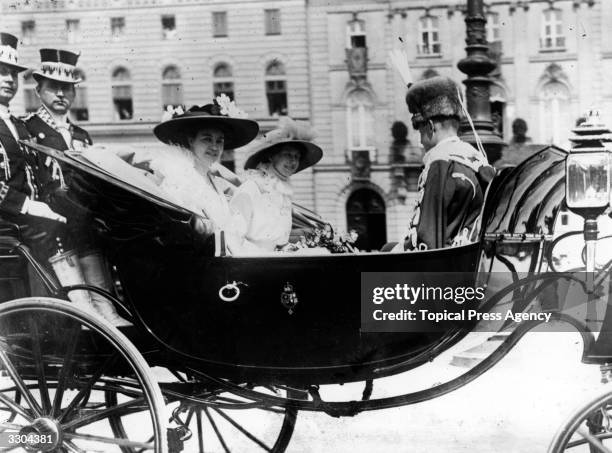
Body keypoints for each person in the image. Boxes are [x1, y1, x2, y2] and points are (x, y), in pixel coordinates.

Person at [24, 48, 129, 325]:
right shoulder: (29, 130)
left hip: (85, 225)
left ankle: (104, 309)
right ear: (39, 91)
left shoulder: (81, 135)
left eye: (67, 89)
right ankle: (86, 314)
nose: (61, 94)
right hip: (52, 225)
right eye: (53, 88)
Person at [141, 98, 259, 243]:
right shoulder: (179, 177)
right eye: (207, 139)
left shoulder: (212, 180)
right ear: (191, 140)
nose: (215, 147)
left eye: (219, 140)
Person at [400, 76, 494, 251]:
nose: (420, 140)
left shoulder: (439, 163)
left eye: (419, 130)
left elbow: (424, 241)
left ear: (430, 126)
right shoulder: (476, 159)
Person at [0, 33, 66, 238]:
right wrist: (26, 205)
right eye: (2, 72)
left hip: (27, 226)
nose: (10, 80)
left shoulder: (19, 125)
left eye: (14, 73)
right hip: (8, 228)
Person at [230, 117, 322, 252]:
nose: (293, 161)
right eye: (287, 154)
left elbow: (279, 242)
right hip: (250, 264)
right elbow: (232, 239)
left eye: (296, 157)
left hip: (274, 263)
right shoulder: (251, 189)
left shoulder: (282, 194)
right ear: (271, 156)